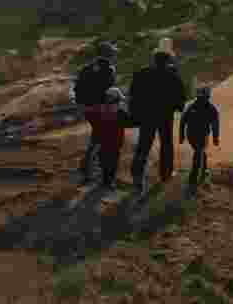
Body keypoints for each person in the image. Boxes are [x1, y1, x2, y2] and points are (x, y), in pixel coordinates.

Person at [128, 51, 187, 196]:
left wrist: (135, 113)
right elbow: (181, 99)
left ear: (153, 60)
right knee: (166, 144)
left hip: (146, 116)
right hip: (164, 116)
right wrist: (176, 106)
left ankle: (136, 175)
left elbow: (133, 94)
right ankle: (166, 174)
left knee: (143, 145)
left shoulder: (142, 73)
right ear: (168, 61)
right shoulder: (172, 76)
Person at [72, 41, 118, 185]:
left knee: (97, 137)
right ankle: (89, 170)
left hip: (88, 109)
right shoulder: (109, 69)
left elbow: (77, 88)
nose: (114, 55)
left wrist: (82, 106)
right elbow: (110, 92)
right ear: (108, 54)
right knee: (103, 140)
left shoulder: (86, 68)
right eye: (112, 53)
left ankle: (88, 169)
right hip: (102, 109)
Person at [87, 87, 132, 190]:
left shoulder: (99, 108)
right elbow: (128, 122)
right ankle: (109, 181)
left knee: (104, 159)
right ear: (117, 99)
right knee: (112, 161)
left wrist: (96, 125)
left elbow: (90, 114)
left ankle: (105, 179)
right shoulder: (120, 112)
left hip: (102, 140)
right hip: (115, 141)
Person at [180, 85, 220, 198]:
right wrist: (181, 135)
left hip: (202, 135)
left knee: (200, 152)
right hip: (192, 135)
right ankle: (193, 179)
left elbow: (215, 124)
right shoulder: (194, 106)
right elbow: (183, 121)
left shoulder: (211, 109)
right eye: (202, 96)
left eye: (204, 96)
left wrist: (215, 138)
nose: (202, 98)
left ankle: (203, 170)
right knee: (199, 152)